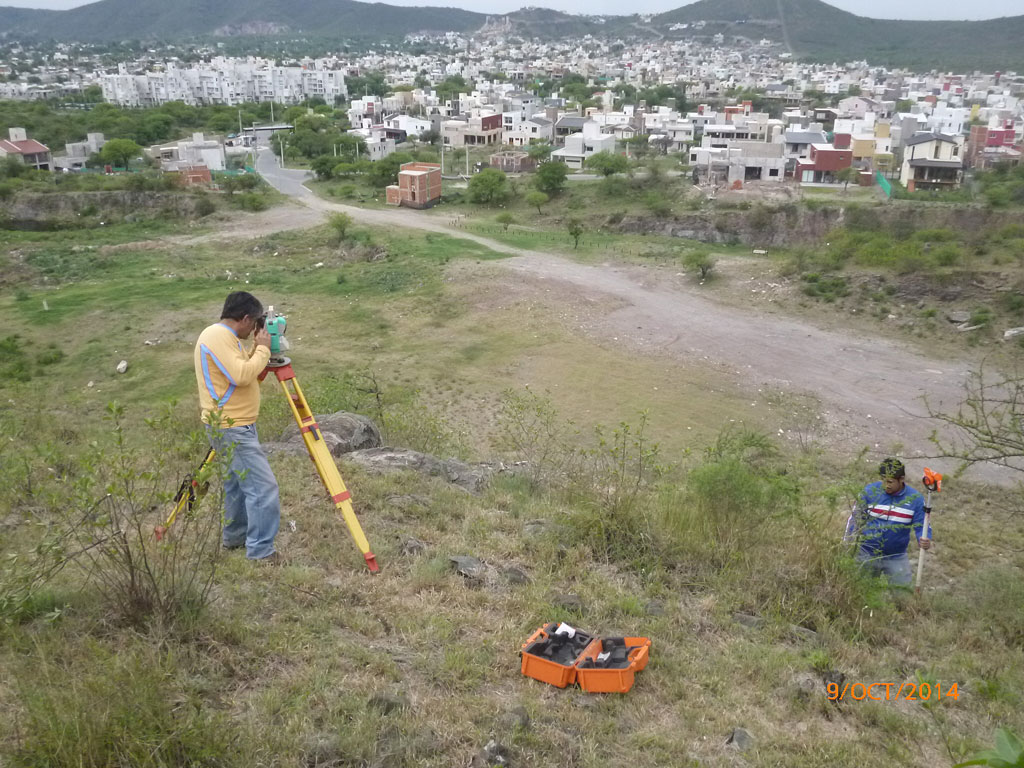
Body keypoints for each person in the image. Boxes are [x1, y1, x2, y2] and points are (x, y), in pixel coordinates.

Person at [194, 291, 280, 563]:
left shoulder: (225, 338)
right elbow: (242, 375)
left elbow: (240, 370)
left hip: (232, 423)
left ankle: (236, 537)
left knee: (236, 484)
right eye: (254, 323)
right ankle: (261, 552)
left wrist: (257, 352)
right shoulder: (218, 337)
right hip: (232, 426)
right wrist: (264, 348)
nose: (255, 329)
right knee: (262, 488)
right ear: (244, 318)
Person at [851, 458, 930, 586]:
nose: (885, 485)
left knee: (904, 597)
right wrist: (848, 544)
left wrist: (924, 538)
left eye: (890, 481)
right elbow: (855, 519)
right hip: (867, 554)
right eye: (883, 480)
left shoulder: (916, 499)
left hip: (896, 557)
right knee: (860, 593)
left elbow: (922, 525)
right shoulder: (869, 492)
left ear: (901, 479)